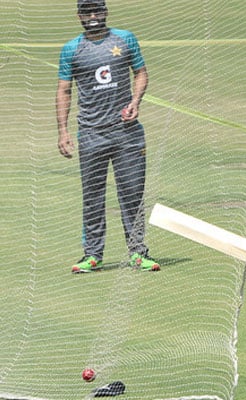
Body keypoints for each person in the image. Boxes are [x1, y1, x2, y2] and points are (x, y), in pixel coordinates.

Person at [56, 0, 159, 273]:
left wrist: (136, 100)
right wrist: (63, 130)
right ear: (79, 15)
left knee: (133, 194)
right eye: (87, 11)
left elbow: (141, 73)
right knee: (92, 197)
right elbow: (64, 91)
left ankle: (138, 253)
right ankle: (92, 255)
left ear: (105, 12)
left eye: (97, 10)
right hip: (91, 134)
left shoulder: (125, 39)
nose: (92, 16)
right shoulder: (71, 49)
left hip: (127, 134)